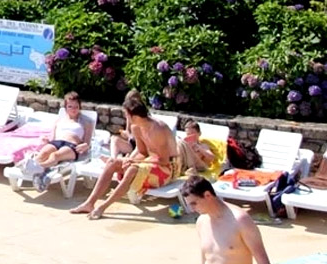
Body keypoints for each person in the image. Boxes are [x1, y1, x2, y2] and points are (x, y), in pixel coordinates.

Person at [70, 89, 178, 219]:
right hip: (149, 162)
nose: (125, 117)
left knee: (132, 168)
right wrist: (130, 159)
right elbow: (142, 151)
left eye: (127, 115)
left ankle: (103, 207)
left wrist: (134, 162)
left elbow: (164, 161)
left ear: (134, 116)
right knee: (112, 162)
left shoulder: (158, 129)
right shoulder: (136, 127)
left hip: (167, 169)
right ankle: (89, 203)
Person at [183, 175, 271, 264]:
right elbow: (205, 256)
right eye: (189, 205)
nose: (191, 209)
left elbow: (262, 259)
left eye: (194, 203)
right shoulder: (201, 222)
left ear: (208, 195)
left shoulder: (240, 220)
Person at [18, 91, 94, 191]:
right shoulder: (59, 120)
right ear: (66, 107)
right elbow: (52, 138)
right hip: (56, 142)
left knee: (54, 156)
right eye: (70, 106)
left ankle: (36, 167)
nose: (73, 109)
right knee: (43, 153)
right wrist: (46, 140)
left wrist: (85, 146)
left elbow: (87, 142)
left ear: (80, 106)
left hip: (72, 146)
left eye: (76, 106)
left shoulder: (87, 122)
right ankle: (39, 173)